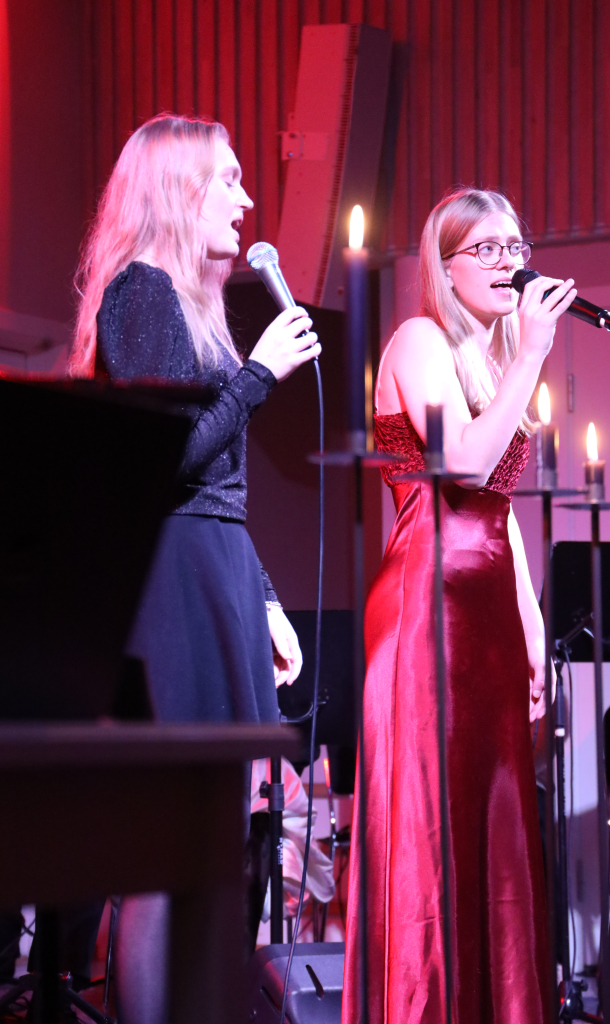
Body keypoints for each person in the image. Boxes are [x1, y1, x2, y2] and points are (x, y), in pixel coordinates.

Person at [69, 114, 320, 1023]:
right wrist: (258, 376)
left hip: (213, 564)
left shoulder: (188, 303)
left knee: (216, 841)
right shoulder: (140, 291)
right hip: (171, 579)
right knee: (169, 849)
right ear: (181, 191)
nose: (247, 202)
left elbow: (218, 487)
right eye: (231, 180)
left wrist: (263, 598)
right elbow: (164, 460)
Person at [341, 187, 577, 1024]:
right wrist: (532, 356)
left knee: (496, 819)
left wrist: (532, 626)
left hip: (487, 608)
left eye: (516, 247)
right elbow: (465, 468)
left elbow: (497, 512)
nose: (509, 263)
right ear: (444, 269)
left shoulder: (490, 356)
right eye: (487, 249)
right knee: (432, 825)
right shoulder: (418, 342)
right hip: (427, 608)